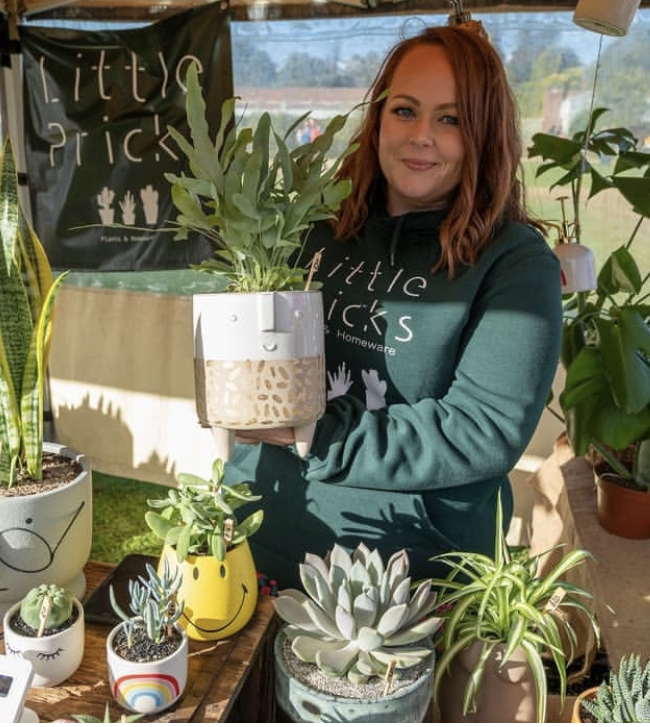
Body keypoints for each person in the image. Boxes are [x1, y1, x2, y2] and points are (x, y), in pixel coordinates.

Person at [225, 21, 562, 590]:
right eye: (405, 110)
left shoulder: (514, 262)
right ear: (376, 118)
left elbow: (482, 430)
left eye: (450, 119)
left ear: (484, 134)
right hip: (257, 532)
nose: (421, 135)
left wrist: (314, 433)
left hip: (403, 572)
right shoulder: (311, 225)